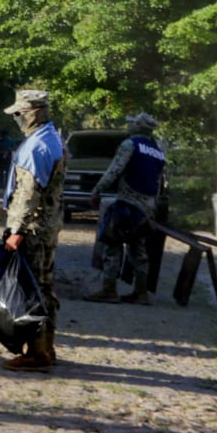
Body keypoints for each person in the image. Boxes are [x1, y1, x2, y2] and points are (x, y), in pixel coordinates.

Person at [0, 88, 68, 372]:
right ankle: (46, 347)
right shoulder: (51, 138)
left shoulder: (38, 146)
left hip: (34, 229)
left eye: (20, 113)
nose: (17, 118)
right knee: (45, 287)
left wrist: (17, 229)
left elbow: (29, 193)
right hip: (47, 227)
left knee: (32, 289)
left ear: (34, 113)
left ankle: (36, 354)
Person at [84, 112, 168, 305]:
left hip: (128, 202)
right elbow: (158, 180)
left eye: (131, 124)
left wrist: (97, 190)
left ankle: (109, 289)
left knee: (112, 244)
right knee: (138, 249)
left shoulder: (130, 144)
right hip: (147, 206)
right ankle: (141, 292)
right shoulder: (157, 150)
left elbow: (114, 170)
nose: (128, 127)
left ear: (138, 127)